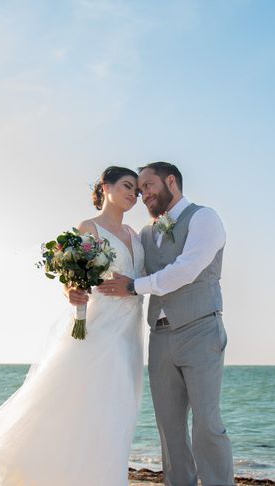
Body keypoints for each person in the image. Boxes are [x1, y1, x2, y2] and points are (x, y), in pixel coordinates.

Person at [0, 166, 146, 486]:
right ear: (105, 187)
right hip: (99, 328)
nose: (133, 194)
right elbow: (71, 278)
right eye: (126, 186)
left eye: (137, 190)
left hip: (130, 332)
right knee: (90, 409)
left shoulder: (136, 235)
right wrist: (71, 291)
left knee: (117, 415)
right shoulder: (87, 228)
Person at [97, 161, 235, 486]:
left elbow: (186, 269)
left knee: (207, 423)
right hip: (159, 338)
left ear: (171, 181)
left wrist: (132, 285)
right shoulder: (146, 233)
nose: (143, 194)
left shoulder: (205, 218)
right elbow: (134, 272)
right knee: (169, 427)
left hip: (200, 330)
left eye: (148, 186)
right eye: (140, 189)